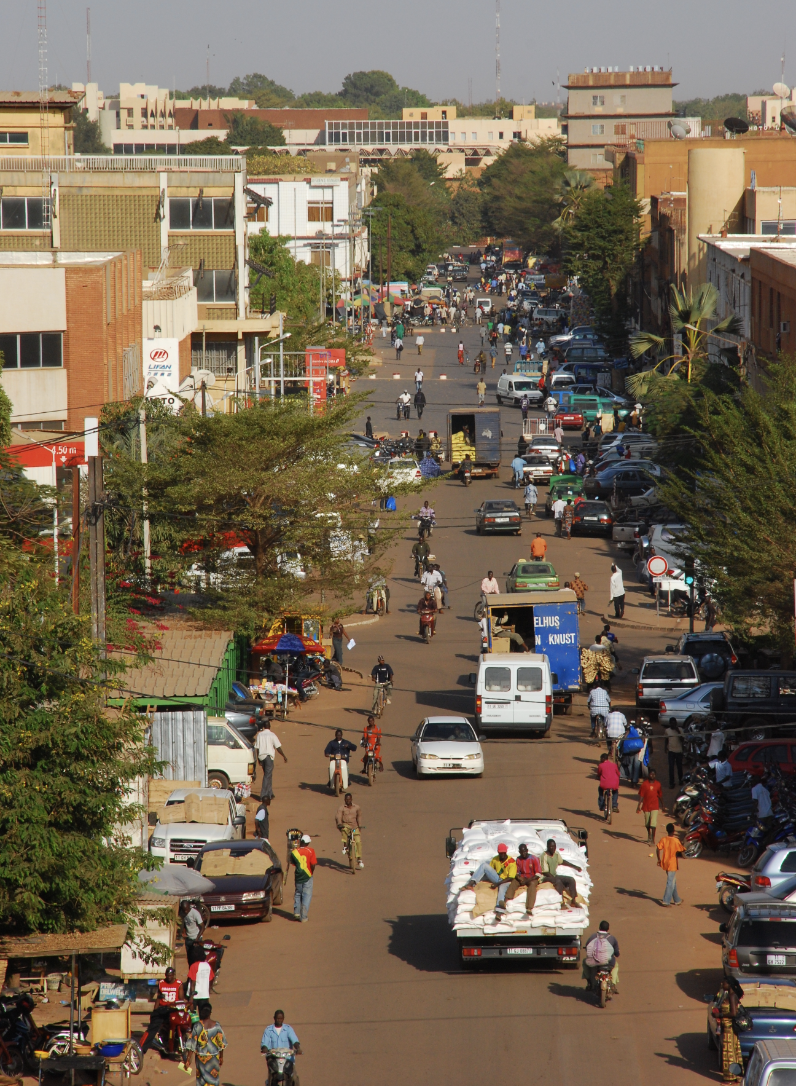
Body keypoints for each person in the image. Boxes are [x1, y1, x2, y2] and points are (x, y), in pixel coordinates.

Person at [142, 966, 186, 1053]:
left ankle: (178, 1043)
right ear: (165, 975)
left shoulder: (179, 984)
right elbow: (158, 998)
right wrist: (155, 1010)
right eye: (168, 975)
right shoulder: (161, 983)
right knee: (153, 1027)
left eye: (171, 975)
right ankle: (142, 1048)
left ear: (174, 975)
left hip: (174, 1008)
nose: (169, 977)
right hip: (163, 1008)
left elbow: (181, 999)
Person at [463, 843, 517, 914]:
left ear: (506, 852)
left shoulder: (511, 862)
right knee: (484, 865)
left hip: (506, 880)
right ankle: (472, 883)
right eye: (501, 853)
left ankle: (499, 909)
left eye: (504, 853)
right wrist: (477, 873)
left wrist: (497, 884)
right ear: (498, 852)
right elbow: (489, 871)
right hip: (497, 878)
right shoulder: (495, 859)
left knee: (502, 889)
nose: (502, 855)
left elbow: (511, 878)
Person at [184, 1002, 226, 1086]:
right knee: (213, 1080)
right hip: (213, 1057)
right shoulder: (217, 1026)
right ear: (210, 1013)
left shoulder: (197, 1026)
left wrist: (188, 1059)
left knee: (201, 1081)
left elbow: (192, 1044)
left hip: (201, 1058)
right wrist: (221, 1057)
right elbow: (221, 1044)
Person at [540, 838, 582, 907]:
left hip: (554, 875)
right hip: (545, 877)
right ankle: (561, 902)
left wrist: (575, 866)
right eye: (551, 846)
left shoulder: (556, 854)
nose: (553, 848)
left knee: (571, 880)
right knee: (558, 881)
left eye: (554, 846)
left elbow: (562, 861)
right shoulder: (544, 856)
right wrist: (555, 879)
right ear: (547, 847)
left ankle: (573, 901)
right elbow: (545, 872)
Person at [717, 977, 744, 1083]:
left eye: (723, 983)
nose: (722, 984)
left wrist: (720, 1014)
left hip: (730, 1028)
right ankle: (735, 1075)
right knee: (733, 1050)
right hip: (727, 1027)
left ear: (729, 984)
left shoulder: (732, 996)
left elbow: (733, 1013)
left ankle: (731, 1076)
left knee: (729, 1052)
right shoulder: (728, 995)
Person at [261, 1010, 301, 1079]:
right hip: (273, 1057)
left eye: (281, 1018)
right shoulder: (268, 1030)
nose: (279, 1020)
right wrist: (264, 1048)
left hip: (287, 1058)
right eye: (277, 1018)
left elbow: (295, 1040)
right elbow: (265, 1043)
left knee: (292, 1076)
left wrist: (298, 1048)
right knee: (272, 1072)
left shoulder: (288, 1029)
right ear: (274, 1018)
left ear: (283, 1018)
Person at [583, 921, 620, 994]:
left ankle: (589, 982)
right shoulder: (612, 938)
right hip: (609, 963)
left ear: (599, 927)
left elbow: (587, 948)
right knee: (615, 966)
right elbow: (617, 953)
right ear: (608, 929)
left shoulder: (593, 936)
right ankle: (613, 984)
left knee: (585, 963)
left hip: (594, 962)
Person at [505, 842, 542, 913]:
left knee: (532, 885)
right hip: (523, 877)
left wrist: (527, 881)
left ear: (527, 850)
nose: (524, 853)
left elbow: (538, 873)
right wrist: (519, 878)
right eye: (522, 852)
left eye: (525, 851)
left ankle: (529, 907)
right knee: (514, 882)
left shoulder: (534, 858)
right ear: (519, 852)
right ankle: (507, 899)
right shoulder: (518, 859)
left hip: (532, 878)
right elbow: (517, 872)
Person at [254, 722, 287, 802]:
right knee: (267, 776)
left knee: (268, 775)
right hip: (268, 757)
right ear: (270, 727)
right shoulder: (272, 735)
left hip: (261, 757)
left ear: (264, 727)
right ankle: (263, 795)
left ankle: (270, 793)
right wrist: (284, 756)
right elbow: (278, 747)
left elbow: (257, 748)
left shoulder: (259, 735)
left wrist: (258, 759)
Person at [289, 833, 316, 922]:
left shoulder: (294, 852)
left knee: (298, 893)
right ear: (308, 843)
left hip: (298, 876)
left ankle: (296, 913)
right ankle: (303, 917)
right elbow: (313, 864)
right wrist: (311, 873)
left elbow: (293, 863)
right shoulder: (311, 851)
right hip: (307, 875)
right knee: (306, 896)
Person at [657, 823, 685, 906]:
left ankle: (677, 900)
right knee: (670, 882)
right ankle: (666, 901)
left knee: (673, 881)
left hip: (665, 862)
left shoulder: (663, 839)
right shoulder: (675, 840)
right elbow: (682, 849)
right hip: (672, 863)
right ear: (674, 831)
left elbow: (658, 849)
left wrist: (659, 859)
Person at [336, 793, 364, 870]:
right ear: (344, 800)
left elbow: (359, 816)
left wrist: (360, 826)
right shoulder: (341, 808)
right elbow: (338, 816)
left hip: (355, 827)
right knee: (344, 830)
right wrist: (339, 824)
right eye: (346, 799)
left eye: (349, 799)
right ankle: (345, 846)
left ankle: (359, 859)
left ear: (351, 799)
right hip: (346, 826)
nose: (348, 801)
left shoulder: (357, 807)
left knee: (358, 842)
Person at [637, 769, 664, 845]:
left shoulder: (658, 784)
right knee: (647, 823)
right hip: (646, 806)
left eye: (654, 774)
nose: (652, 776)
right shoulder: (644, 784)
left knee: (653, 823)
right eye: (651, 774)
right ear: (648, 775)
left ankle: (652, 839)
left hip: (655, 806)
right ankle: (649, 834)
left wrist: (663, 805)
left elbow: (660, 795)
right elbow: (641, 795)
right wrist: (639, 805)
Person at [180, 899, 207, 966]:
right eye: (184, 910)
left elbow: (202, 927)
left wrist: (197, 939)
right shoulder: (183, 913)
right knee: (190, 960)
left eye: (186, 909)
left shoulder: (195, 913)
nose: (185, 911)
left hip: (196, 939)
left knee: (197, 959)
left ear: (189, 907)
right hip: (189, 939)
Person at [664, 722, 684, 789]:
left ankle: (681, 780)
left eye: (674, 724)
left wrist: (678, 731)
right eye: (671, 724)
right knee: (671, 767)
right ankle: (671, 783)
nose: (672, 725)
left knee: (679, 767)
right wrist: (665, 747)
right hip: (671, 751)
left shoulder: (680, 730)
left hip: (679, 751)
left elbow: (682, 740)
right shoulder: (667, 730)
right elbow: (666, 739)